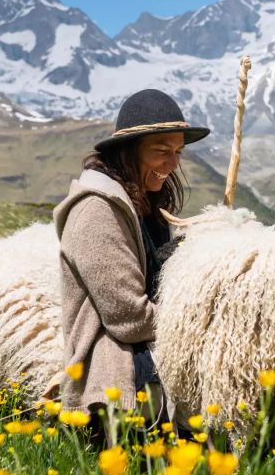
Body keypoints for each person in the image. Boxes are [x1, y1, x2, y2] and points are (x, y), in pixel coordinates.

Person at [52, 89, 210, 419]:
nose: (173, 163)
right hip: (114, 371)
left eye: (179, 151)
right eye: (161, 151)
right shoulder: (97, 210)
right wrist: (203, 320)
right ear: (128, 152)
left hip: (150, 349)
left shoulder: (145, 204)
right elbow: (129, 317)